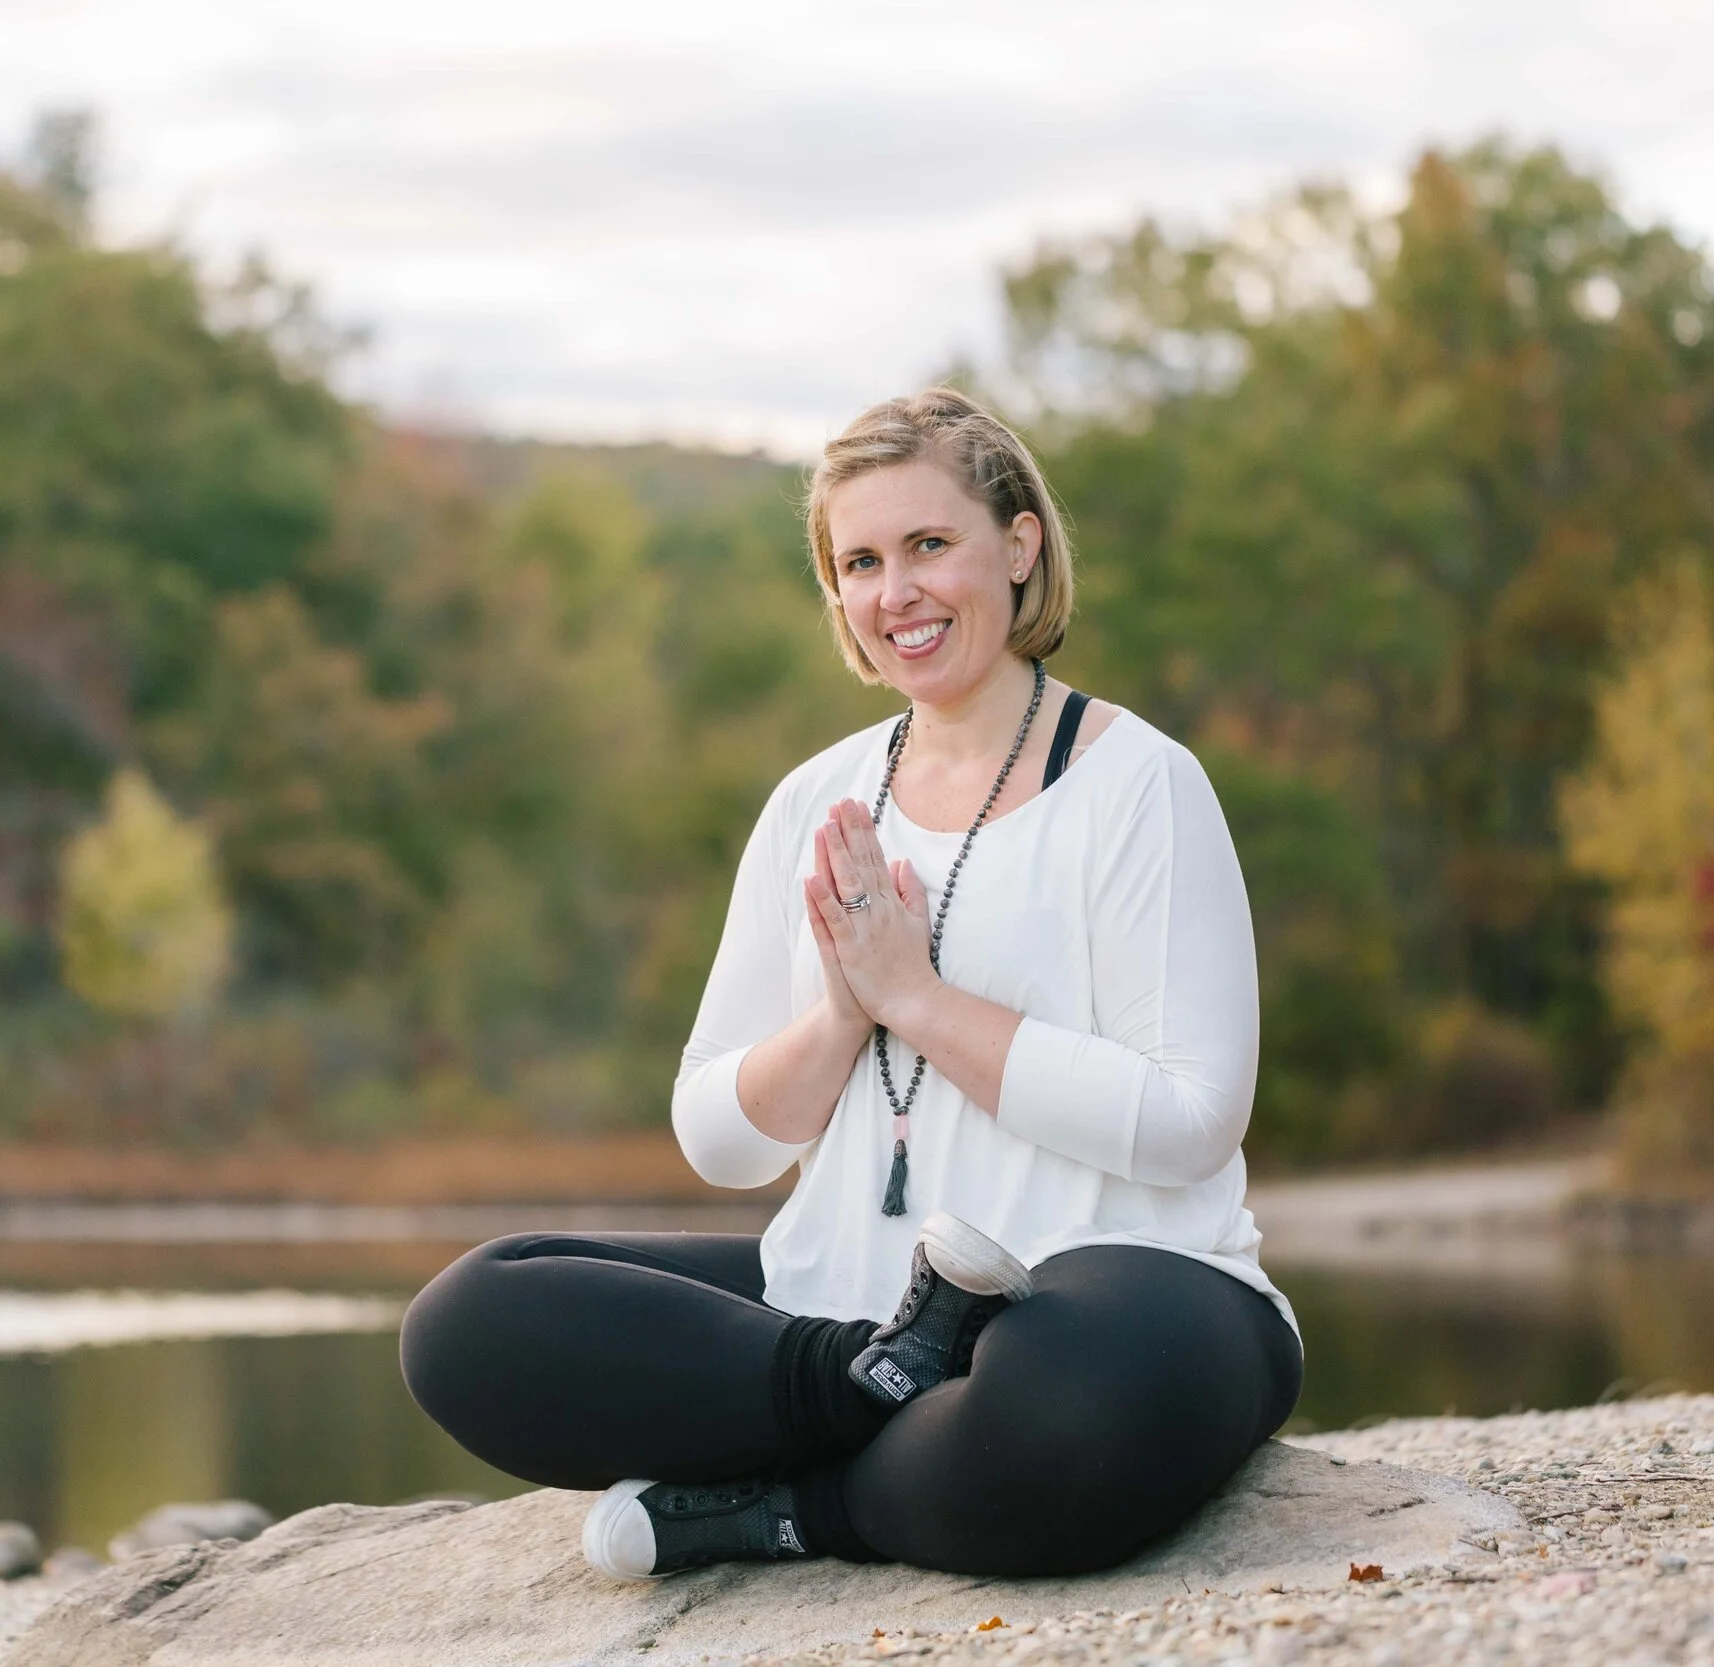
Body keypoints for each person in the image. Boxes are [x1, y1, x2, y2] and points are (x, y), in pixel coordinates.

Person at [401, 386, 1300, 1580]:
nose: (896, 594)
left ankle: (787, 1507)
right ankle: (869, 1384)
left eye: (930, 544)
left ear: (1018, 545)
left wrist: (917, 998)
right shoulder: (812, 803)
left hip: (1118, 1288)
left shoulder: (1140, 783)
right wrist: (839, 1012)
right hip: (854, 1311)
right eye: (860, 561)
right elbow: (719, 1139)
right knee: (472, 1319)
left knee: (1055, 1409)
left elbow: (1190, 1123)